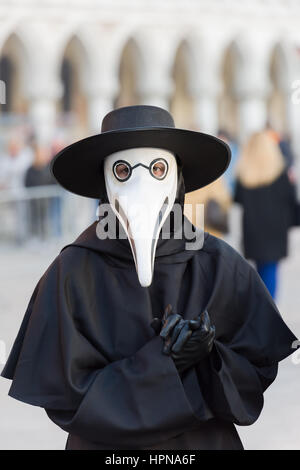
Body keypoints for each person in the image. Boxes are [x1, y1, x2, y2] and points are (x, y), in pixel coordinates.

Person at [1, 106, 298, 450]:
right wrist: (163, 363)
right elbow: (66, 395)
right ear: (105, 181)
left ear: (177, 177)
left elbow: (256, 371)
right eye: (124, 170)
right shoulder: (73, 272)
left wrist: (209, 355)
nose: (142, 185)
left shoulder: (218, 265)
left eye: (157, 169)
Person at [234, 130, 298, 299]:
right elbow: (290, 200)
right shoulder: (281, 174)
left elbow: (237, 199)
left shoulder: (244, 175)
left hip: (253, 230)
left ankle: (260, 306)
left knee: (258, 271)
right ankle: (268, 309)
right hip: (275, 230)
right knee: (270, 271)